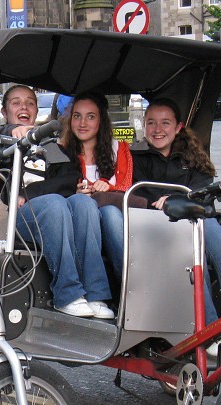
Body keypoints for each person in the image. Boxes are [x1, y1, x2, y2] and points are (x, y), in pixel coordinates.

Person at [130, 97, 221, 347]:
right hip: (155, 228)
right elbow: (138, 197)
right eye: (151, 123)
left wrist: (175, 199)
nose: (158, 130)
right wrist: (170, 203)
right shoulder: (135, 157)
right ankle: (210, 333)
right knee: (190, 253)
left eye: (165, 123)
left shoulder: (191, 155)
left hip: (196, 222)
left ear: (178, 127)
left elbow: (204, 192)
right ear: (144, 126)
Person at [0, 85, 114, 319]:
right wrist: (14, 129)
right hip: (18, 218)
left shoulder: (50, 145)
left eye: (30, 103)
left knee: (84, 204)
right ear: (5, 111)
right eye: (16, 102)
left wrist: (31, 192)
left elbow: (67, 179)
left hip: (47, 209)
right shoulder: (0, 137)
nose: (24, 106)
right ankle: (67, 294)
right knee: (56, 202)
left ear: (37, 110)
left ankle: (96, 293)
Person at [59, 92, 135, 281]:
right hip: (79, 223)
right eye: (77, 116)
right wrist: (73, 193)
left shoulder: (118, 149)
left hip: (114, 221)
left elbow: (126, 184)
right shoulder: (60, 152)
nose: (82, 123)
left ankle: (130, 283)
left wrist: (107, 187)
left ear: (101, 120)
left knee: (110, 213)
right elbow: (55, 189)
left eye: (90, 117)